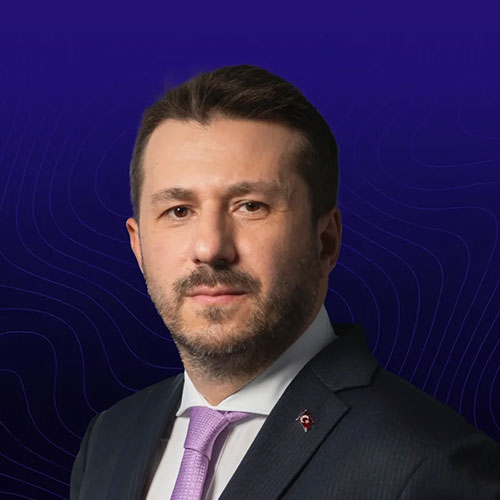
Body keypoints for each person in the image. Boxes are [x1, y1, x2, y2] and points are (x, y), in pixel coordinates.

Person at [70, 65, 500, 500]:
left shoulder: (431, 463)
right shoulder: (109, 439)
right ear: (139, 246)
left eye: (251, 206)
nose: (210, 247)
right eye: (178, 211)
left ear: (325, 241)